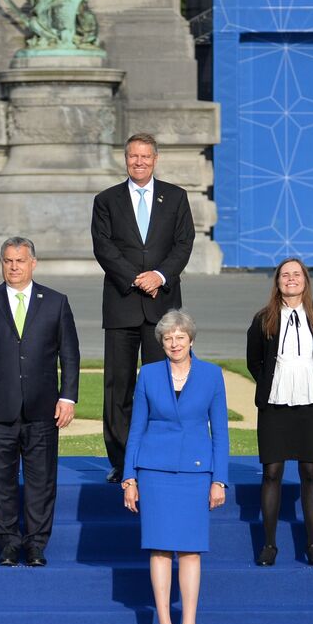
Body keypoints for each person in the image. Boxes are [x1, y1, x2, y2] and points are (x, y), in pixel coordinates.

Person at [0, 236, 79, 567]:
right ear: (2, 263)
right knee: (0, 480)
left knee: (41, 480)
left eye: (20, 261)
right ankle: (9, 542)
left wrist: (67, 397)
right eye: (8, 261)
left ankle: (36, 543)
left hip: (43, 408)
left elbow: (70, 354)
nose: (13, 267)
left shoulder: (55, 302)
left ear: (33, 263)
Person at [121, 311, 228, 624]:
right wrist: (129, 478)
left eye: (180, 337)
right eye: (168, 338)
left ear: (191, 340)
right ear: (162, 343)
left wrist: (219, 480)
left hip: (197, 474)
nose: (175, 343)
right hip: (154, 472)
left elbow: (221, 434)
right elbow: (136, 428)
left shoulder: (212, 375)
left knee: (191, 551)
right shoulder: (149, 375)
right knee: (161, 549)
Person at [92, 132, 195, 483]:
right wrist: (137, 278)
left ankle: (158, 455)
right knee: (118, 386)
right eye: (133, 157)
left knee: (162, 385)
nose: (139, 162)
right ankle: (122, 462)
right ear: (126, 159)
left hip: (162, 308)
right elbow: (103, 247)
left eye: (145, 157)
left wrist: (160, 275)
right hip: (122, 303)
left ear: (155, 159)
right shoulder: (106, 200)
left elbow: (184, 244)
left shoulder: (177, 197)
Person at [246, 258, 313, 567]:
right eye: (285, 275)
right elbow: (254, 361)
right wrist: (275, 384)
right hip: (274, 405)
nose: (291, 279)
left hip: (309, 404)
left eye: (296, 275)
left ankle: (312, 544)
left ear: (306, 281)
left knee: (310, 472)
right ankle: (269, 544)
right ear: (277, 281)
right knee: (272, 473)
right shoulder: (263, 319)